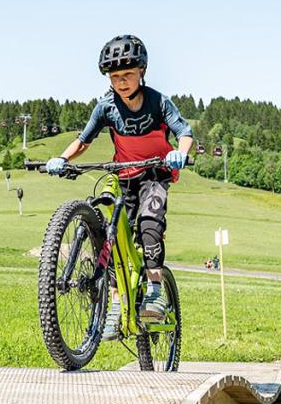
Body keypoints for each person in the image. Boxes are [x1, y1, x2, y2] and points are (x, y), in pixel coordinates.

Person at [44, 35, 193, 339]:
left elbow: (185, 133)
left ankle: (154, 291)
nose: (122, 82)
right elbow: (84, 140)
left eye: (127, 75)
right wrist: (62, 157)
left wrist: (181, 152)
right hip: (123, 176)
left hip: (155, 174)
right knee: (110, 231)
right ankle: (115, 302)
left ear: (142, 72)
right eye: (115, 77)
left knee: (150, 222)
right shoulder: (106, 107)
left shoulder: (157, 101)